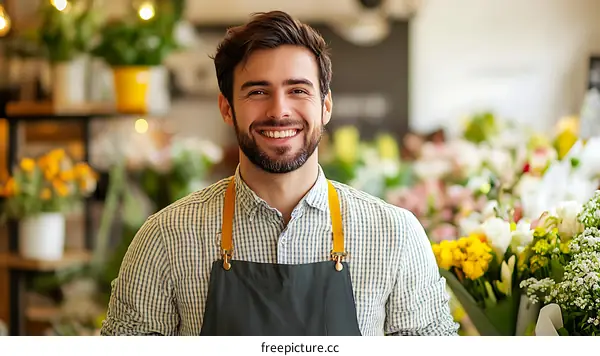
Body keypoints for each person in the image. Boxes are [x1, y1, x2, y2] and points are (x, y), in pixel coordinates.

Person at [100, 10, 459, 336]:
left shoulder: (394, 235)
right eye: (258, 91)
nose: (279, 110)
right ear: (227, 108)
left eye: (298, 90)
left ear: (326, 105)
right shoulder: (166, 238)